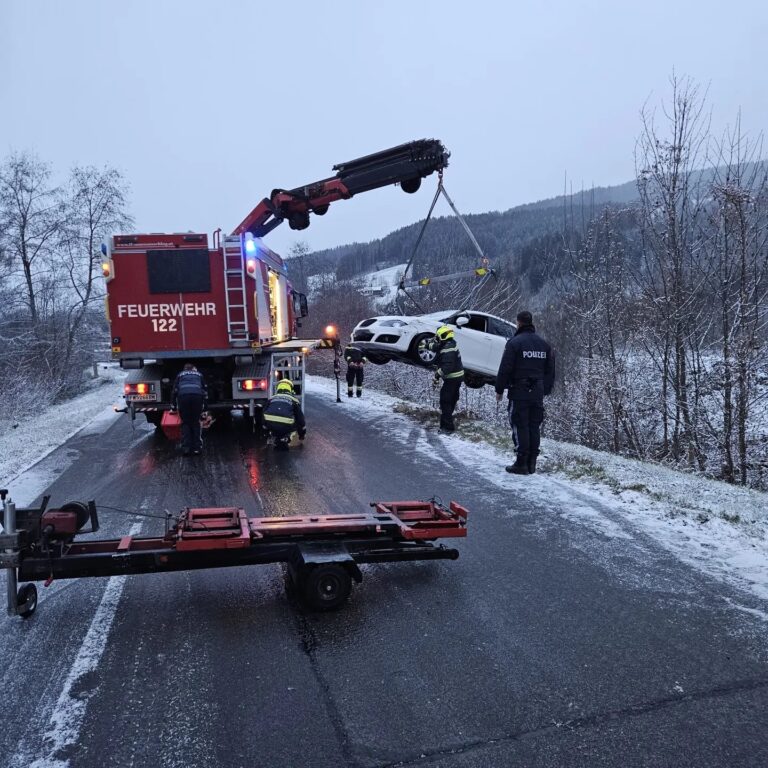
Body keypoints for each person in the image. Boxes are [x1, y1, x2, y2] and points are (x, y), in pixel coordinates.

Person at [495, 310, 555, 474]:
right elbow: (550, 371)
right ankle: (532, 463)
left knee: (520, 424)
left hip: (519, 391)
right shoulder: (544, 345)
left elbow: (505, 368)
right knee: (533, 425)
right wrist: (545, 389)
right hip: (537, 392)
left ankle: (521, 462)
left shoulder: (514, 343)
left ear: (519, 322)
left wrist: (499, 389)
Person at [430, 325, 464, 433]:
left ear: (443, 336)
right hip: (457, 378)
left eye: (438, 337)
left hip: (452, 378)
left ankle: (447, 428)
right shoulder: (449, 344)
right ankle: (446, 424)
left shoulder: (448, 348)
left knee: (445, 400)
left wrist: (437, 375)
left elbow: (447, 367)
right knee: (452, 399)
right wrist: (427, 345)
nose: (437, 339)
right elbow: (438, 347)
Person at [171, 363, 208, 456]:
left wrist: (173, 406)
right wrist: (205, 407)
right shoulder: (199, 374)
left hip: (183, 397)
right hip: (197, 397)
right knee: (196, 422)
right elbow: (205, 390)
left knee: (186, 422)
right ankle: (197, 449)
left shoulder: (180, 375)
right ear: (193, 369)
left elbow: (174, 391)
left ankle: (186, 449)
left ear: (185, 369)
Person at [263, 379, 306, 450]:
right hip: (286, 426)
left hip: (270, 425)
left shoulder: (271, 399)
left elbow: (263, 414)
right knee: (295, 420)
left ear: (278, 388)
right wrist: (302, 435)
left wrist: (265, 432)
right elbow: (300, 420)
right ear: (290, 389)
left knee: (270, 419)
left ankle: (271, 436)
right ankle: (287, 437)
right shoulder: (294, 400)